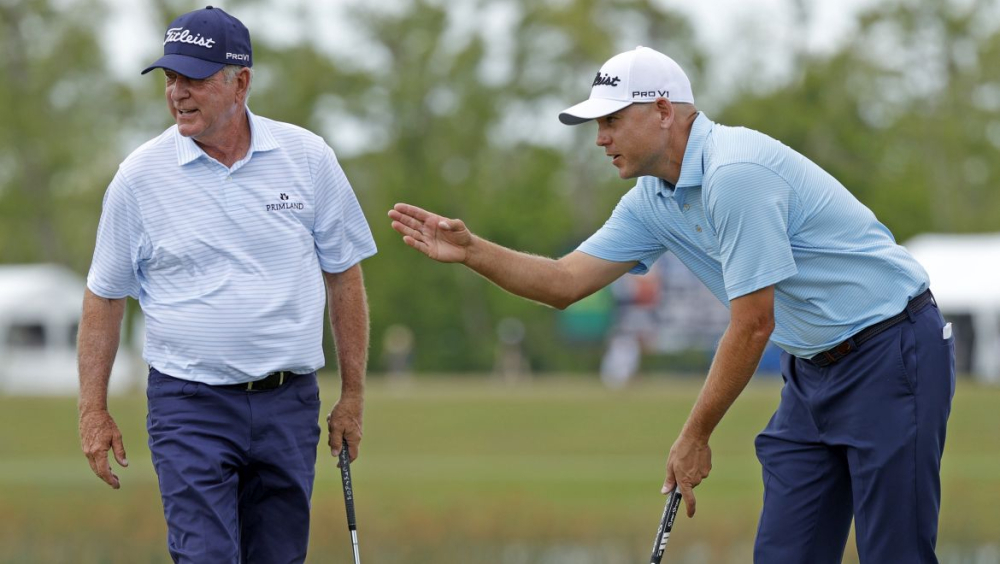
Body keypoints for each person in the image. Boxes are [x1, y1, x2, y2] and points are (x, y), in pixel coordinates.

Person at [389, 46, 955, 563]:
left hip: (891, 349)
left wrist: (694, 435)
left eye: (611, 120)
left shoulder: (734, 174)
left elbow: (754, 325)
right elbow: (564, 282)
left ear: (663, 111)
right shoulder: (651, 199)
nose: (600, 138)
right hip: (813, 371)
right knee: (787, 552)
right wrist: (472, 251)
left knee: (895, 553)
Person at [77, 7, 377, 563]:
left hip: (288, 401)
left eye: (194, 77)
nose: (178, 93)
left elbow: (344, 274)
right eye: (170, 78)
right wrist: (92, 410)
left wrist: (352, 396)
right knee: (206, 556)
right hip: (189, 404)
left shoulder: (308, 159)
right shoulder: (139, 178)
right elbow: (104, 294)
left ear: (241, 80)